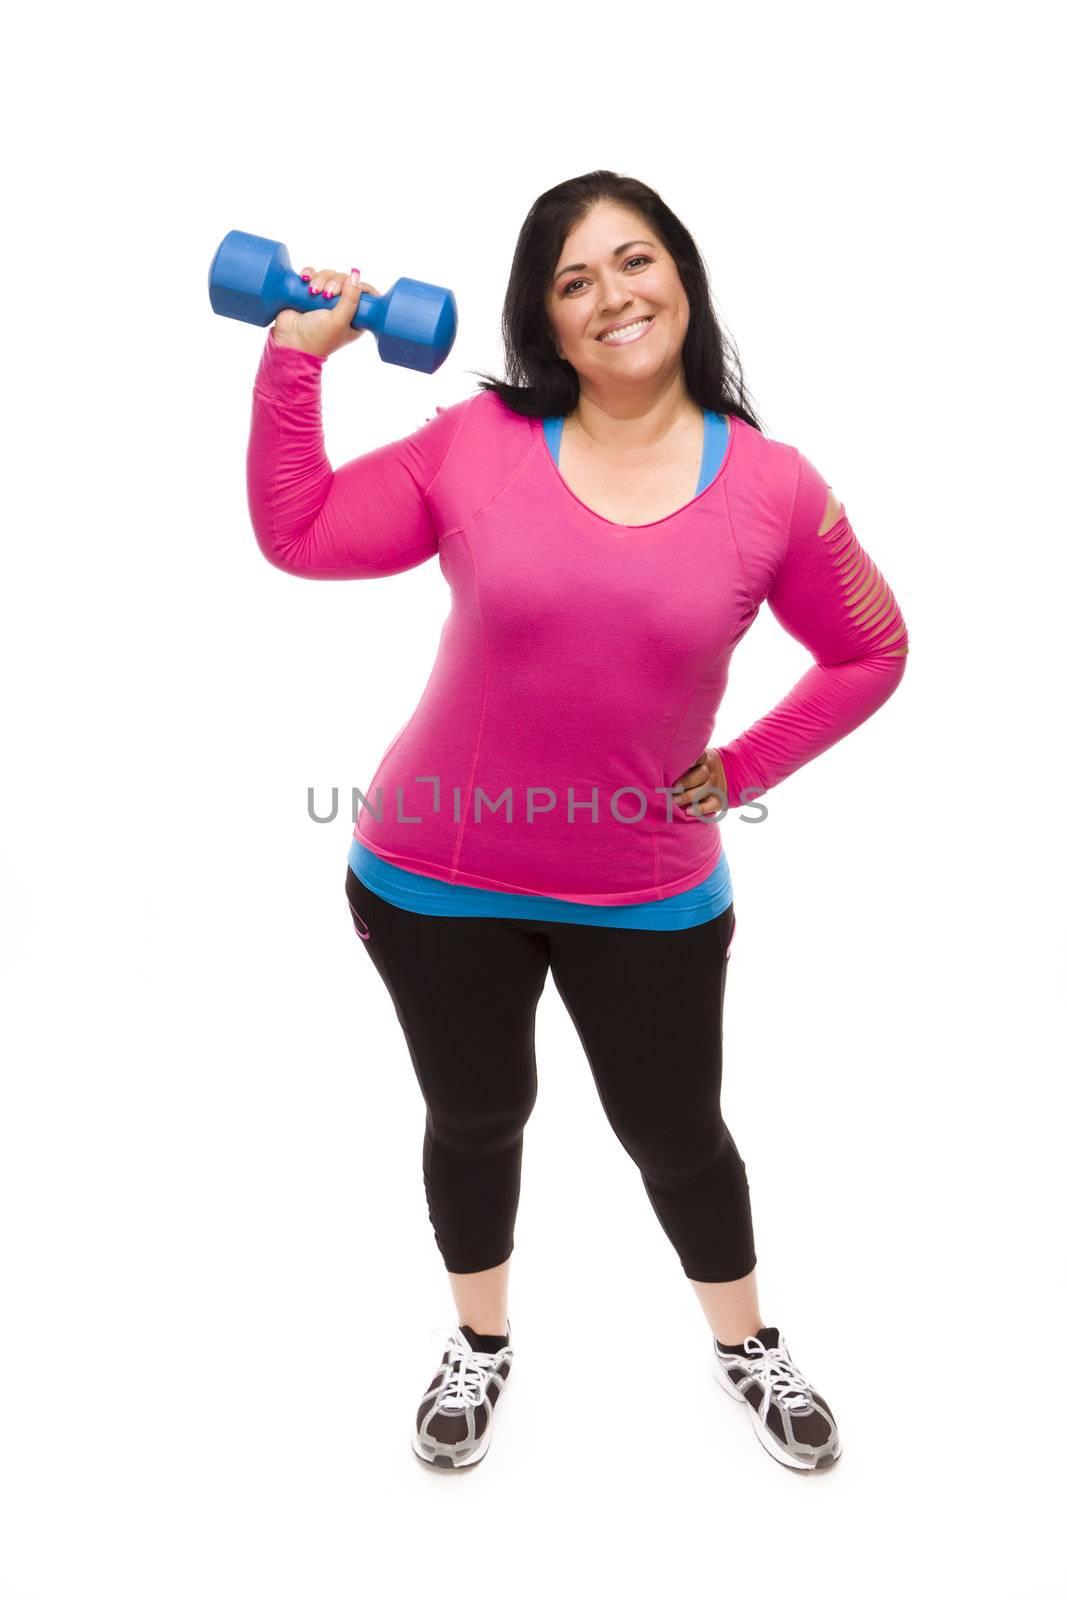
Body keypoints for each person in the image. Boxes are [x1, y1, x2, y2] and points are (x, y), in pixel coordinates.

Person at [245, 170, 908, 1474]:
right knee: (480, 1115)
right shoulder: (478, 446)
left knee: (673, 1131)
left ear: (685, 278)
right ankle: (479, 1348)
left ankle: (744, 1344)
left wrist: (742, 765)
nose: (613, 294)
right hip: (431, 877)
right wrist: (292, 362)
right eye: (573, 278)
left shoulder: (774, 489)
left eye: (636, 259)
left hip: (647, 891)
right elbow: (303, 531)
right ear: (543, 324)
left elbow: (872, 653)